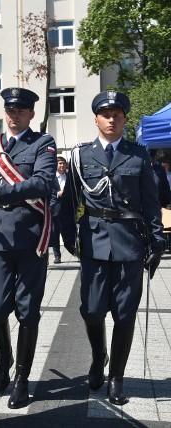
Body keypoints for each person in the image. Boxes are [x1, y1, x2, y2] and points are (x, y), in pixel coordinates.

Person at [60, 91, 165, 406]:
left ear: (124, 119)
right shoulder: (81, 155)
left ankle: (116, 377)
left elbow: (151, 202)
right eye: (106, 114)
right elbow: (69, 202)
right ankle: (98, 356)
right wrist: (68, 236)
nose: (111, 119)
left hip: (130, 243)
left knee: (124, 316)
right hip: (93, 242)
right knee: (91, 311)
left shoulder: (138, 155)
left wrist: (157, 240)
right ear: (96, 119)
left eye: (117, 114)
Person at [0, 87, 57, 409]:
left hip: (30, 238)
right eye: (10, 111)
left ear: (31, 114)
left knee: (27, 313)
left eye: (21, 111)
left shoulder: (43, 144)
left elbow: (43, 183)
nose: (14, 116)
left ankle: (22, 378)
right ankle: (5, 356)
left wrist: (0, 194)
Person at [50, 156, 67, 263]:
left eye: (63, 163)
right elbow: (48, 192)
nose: (62, 165)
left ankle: (76, 253)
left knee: (70, 232)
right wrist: (58, 193)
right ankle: (57, 256)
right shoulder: (51, 178)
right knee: (55, 234)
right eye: (60, 163)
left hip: (67, 209)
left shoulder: (70, 177)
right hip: (55, 210)